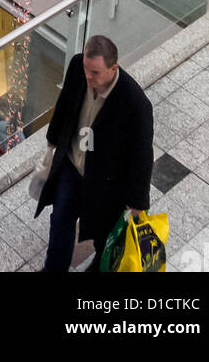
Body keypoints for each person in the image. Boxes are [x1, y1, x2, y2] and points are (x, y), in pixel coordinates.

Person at [36, 33, 153, 273]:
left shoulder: (136, 104)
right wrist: (51, 141)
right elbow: (65, 103)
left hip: (107, 182)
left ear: (113, 68)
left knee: (104, 237)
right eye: (87, 69)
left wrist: (138, 203)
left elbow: (142, 157)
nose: (88, 77)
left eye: (96, 72)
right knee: (60, 220)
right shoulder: (78, 67)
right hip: (72, 164)